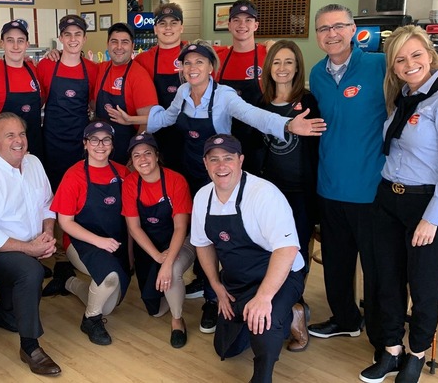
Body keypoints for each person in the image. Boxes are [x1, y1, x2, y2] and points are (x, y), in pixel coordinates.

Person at [108, 40, 324, 334]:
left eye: (199, 62)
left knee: (221, 238)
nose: (193, 68)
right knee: (201, 236)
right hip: (191, 173)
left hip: (219, 176)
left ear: (211, 67)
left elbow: (255, 115)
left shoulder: (224, 96)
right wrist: (132, 120)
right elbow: (167, 118)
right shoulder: (183, 92)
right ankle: (204, 283)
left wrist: (287, 126)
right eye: (187, 63)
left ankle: (214, 299)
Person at [359, 26, 438, 383]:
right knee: (387, 282)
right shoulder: (404, 97)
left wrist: (432, 219)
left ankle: (417, 354)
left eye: (416, 55)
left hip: (428, 205)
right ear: (393, 66)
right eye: (400, 59)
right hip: (389, 200)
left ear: (431, 55)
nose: (409, 64)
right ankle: (392, 350)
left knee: (423, 287)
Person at [306, 4, 387, 358]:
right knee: (337, 261)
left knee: (376, 266)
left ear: (354, 29)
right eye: (324, 29)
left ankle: (384, 334)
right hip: (329, 184)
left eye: (339, 26)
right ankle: (344, 318)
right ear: (317, 35)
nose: (331, 34)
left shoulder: (379, 65)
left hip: (371, 186)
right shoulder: (316, 74)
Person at [192, 134, 305, 383]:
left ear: (241, 161)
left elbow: (287, 250)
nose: (221, 166)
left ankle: (262, 375)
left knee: (264, 324)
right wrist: (217, 287)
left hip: (281, 276)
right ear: (206, 164)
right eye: (214, 159)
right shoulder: (202, 197)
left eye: (228, 158)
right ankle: (286, 314)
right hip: (236, 279)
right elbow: (203, 245)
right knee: (226, 348)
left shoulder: (264, 194)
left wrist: (264, 298)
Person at [0, 112, 62, 376]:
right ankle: (30, 347)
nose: (18, 140)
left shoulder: (34, 163)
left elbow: (47, 204)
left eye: (22, 134)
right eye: (10, 135)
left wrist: (47, 234)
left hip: (28, 245)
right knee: (30, 272)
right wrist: (31, 249)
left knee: (11, 316)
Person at [256, 40, 319, 353]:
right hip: (268, 192)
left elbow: (318, 144)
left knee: (297, 252)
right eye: (277, 62)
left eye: (289, 62)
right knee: (269, 249)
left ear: (298, 68)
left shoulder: (308, 100)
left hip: (300, 191)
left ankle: (296, 306)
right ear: (269, 67)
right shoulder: (260, 101)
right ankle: (273, 303)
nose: (282, 68)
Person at [48, 121, 131, 346]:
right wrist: (99, 242)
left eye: (106, 140)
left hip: (113, 243)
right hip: (81, 242)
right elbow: (65, 222)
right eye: (94, 139)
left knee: (108, 305)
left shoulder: (122, 172)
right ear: (85, 144)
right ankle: (91, 320)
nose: (100, 145)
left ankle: (68, 282)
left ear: (113, 145)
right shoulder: (74, 175)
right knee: (109, 279)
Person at [122, 133, 195, 348]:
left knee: (171, 273)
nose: (143, 159)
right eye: (137, 155)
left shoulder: (175, 180)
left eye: (147, 153)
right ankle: (173, 294)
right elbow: (133, 227)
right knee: (153, 309)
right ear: (132, 161)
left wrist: (167, 262)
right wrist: (155, 256)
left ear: (156, 155)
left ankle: (177, 319)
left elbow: (181, 227)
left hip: (181, 240)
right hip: (150, 245)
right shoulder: (130, 183)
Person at [37, 14, 99, 191]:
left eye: (78, 34)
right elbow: (38, 101)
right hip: (52, 141)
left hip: (80, 140)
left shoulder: (93, 69)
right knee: (53, 186)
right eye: (68, 34)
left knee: (79, 184)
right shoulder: (45, 66)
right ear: (60, 38)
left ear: (84, 38)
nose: (73, 39)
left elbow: (94, 104)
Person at [214, 0, 270, 173]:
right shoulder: (217, 57)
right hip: (225, 142)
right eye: (236, 19)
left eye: (248, 20)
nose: (242, 25)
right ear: (229, 25)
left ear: (256, 25)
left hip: (260, 142)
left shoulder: (269, 54)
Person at [133, 3, 188, 173]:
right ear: (155, 29)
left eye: (174, 23)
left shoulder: (195, 53)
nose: (168, 28)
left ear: (181, 27)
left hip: (189, 136)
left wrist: (267, 44)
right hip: (156, 136)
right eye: (162, 23)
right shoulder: (142, 60)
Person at [93, 22, 158, 163]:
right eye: (114, 42)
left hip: (125, 151)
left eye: (125, 42)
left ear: (133, 46)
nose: (119, 47)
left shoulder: (139, 76)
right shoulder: (100, 69)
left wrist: (134, 155)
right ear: (108, 44)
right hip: (100, 150)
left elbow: (147, 122)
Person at [0, 19, 43, 159]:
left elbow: (42, 100)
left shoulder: (34, 70)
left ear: (27, 44)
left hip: (33, 145)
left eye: (20, 40)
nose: (15, 46)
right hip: (3, 150)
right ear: (2, 43)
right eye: (10, 40)